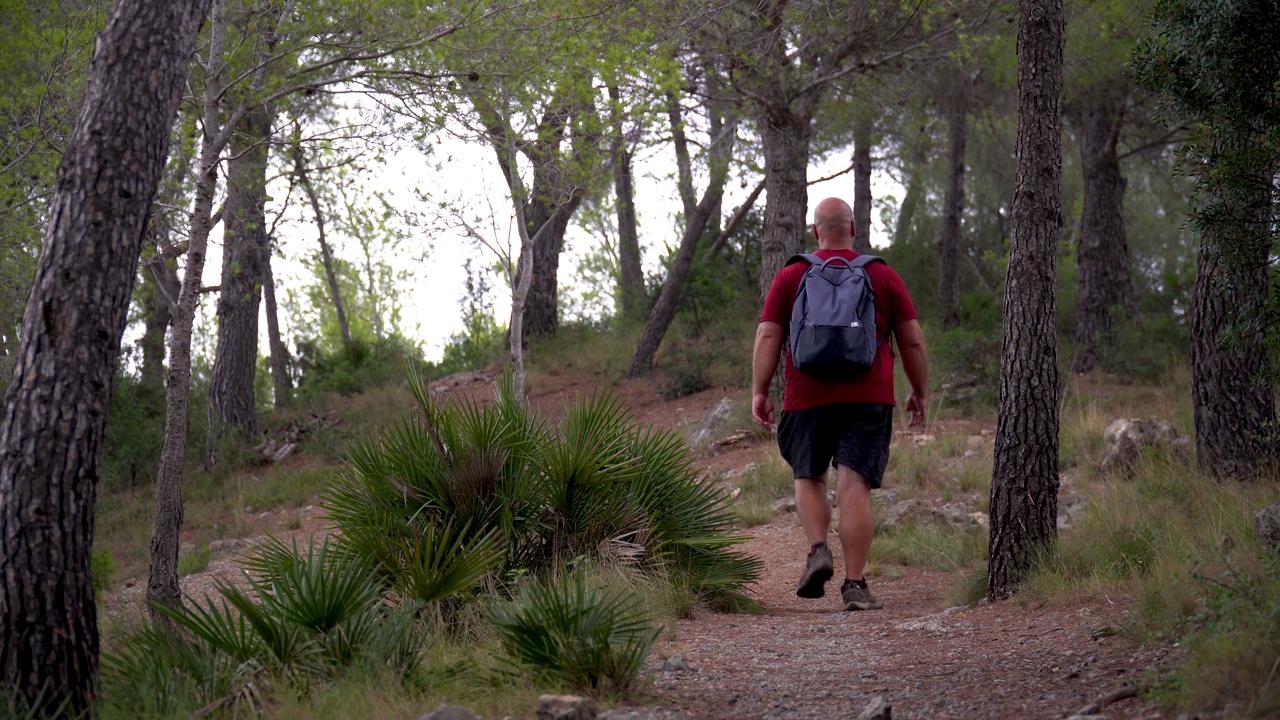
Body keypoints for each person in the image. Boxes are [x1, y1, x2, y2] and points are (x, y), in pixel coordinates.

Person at [751, 197, 929, 610]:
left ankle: (818, 549)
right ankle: (855, 585)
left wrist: (760, 390)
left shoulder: (792, 274)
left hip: (805, 395)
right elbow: (913, 340)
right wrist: (919, 391)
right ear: (853, 229)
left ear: (815, 232)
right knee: (854, 485)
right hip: (868, 397)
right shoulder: (881, 275)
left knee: (809, 476)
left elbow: (767, 336)